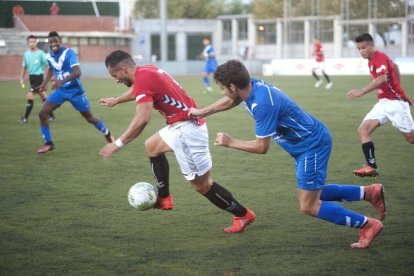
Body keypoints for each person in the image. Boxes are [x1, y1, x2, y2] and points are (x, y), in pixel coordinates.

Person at [188, 59, 385, 249]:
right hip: (303, 145)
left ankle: (368, 224)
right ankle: (369, 192)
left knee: (309, 206)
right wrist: (203, 112)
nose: (222, 92)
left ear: (232, 86)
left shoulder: (263, 104)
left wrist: (231, 142)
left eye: (222, 88)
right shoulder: (251, 86)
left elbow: (261, 147)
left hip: (311, 146)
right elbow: (232, 100)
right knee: (313, 192)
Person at [99, 50, 255, 233]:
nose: (115, 80)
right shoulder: (147, 71)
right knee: (152, 145)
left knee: (202, 186)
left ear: (123, 70)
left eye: (114, 75)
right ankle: (164, 198)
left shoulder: (143, 79)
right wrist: (116, 100)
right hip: (179, 125)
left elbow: (142, 119)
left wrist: (116, 144)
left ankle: (243, 214)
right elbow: (137, 90)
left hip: (187, 131)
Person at [347, 33, 414, 178]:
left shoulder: (379, 57)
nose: (361, 51)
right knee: (363, 130)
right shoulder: (372, 60)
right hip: (383, 103)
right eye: (359, 49)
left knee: (411, 138)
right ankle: (371, 167)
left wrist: (361, 91)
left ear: (372, 46)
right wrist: (397, 85)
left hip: (395, 104)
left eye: (364, 47)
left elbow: (382, 79)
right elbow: (395, 66)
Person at [36, 31, 114, 153]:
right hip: (61, 91)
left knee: (89, 118)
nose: (53, 44)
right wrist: (44, 84)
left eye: (56, 41)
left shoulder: (69, 53)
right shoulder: (49, 56)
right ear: (49, 44)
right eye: (51, 42)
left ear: (60, 41)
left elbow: (77, 72)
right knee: (42, 113)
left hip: (75, 91)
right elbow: (51, 69)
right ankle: (49, 143)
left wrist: (60, 82)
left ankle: (108, 133)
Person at [19, 34, 54, 124]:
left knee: (29, 96)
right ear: (28, 43)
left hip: (39, 77)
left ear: (36, 43)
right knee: (43, 96)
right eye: (30, 42)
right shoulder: (26, 54)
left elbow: (48, 65)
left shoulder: (41, 53)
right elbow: (24, 66)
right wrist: (21, 78)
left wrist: (49, 77)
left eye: (34, 42)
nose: (32, 43)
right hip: (32, 78)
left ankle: (25, 118)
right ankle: (51, 114)